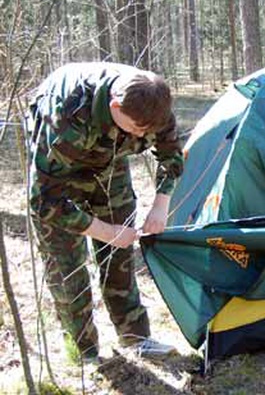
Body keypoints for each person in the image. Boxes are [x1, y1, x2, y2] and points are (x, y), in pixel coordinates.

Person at [27, 62, 184, 361]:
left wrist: (161, 205)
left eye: (148, 130)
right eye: (138, 129)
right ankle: (84, 353)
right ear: (114, 106)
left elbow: (170, 154)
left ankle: (136, 338)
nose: (144, 134)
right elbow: (45, 201)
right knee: (66, 266)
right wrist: (107, 232)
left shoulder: (151, 103)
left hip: (109, 168)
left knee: (119, 259)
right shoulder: (66, 117)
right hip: (58, 176)